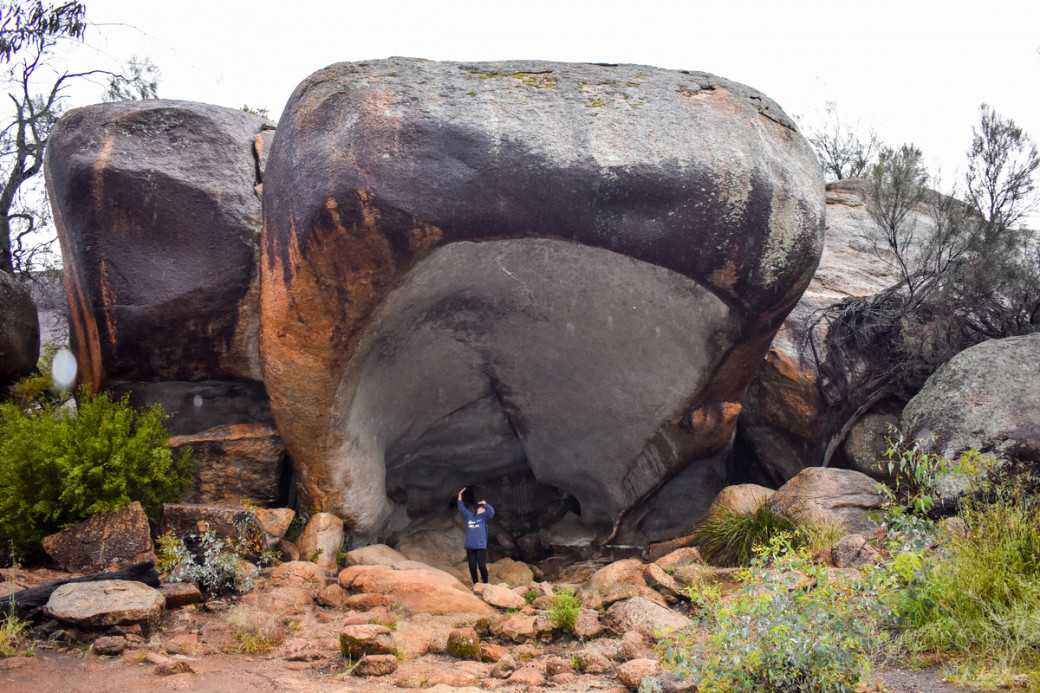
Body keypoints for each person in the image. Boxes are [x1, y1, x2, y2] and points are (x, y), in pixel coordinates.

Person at [457, 486, 495, 585]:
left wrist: (485, 504)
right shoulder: (470, 517)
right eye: (481, 508)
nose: (482, 509)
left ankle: (486, 582)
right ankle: (476, 583)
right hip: (470, 546)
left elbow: (491, 511)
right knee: (472, 566)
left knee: (482, 566)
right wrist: (460, 496)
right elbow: (461, 508)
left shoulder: (484, 518)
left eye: (483, 509)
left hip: (480, 546)